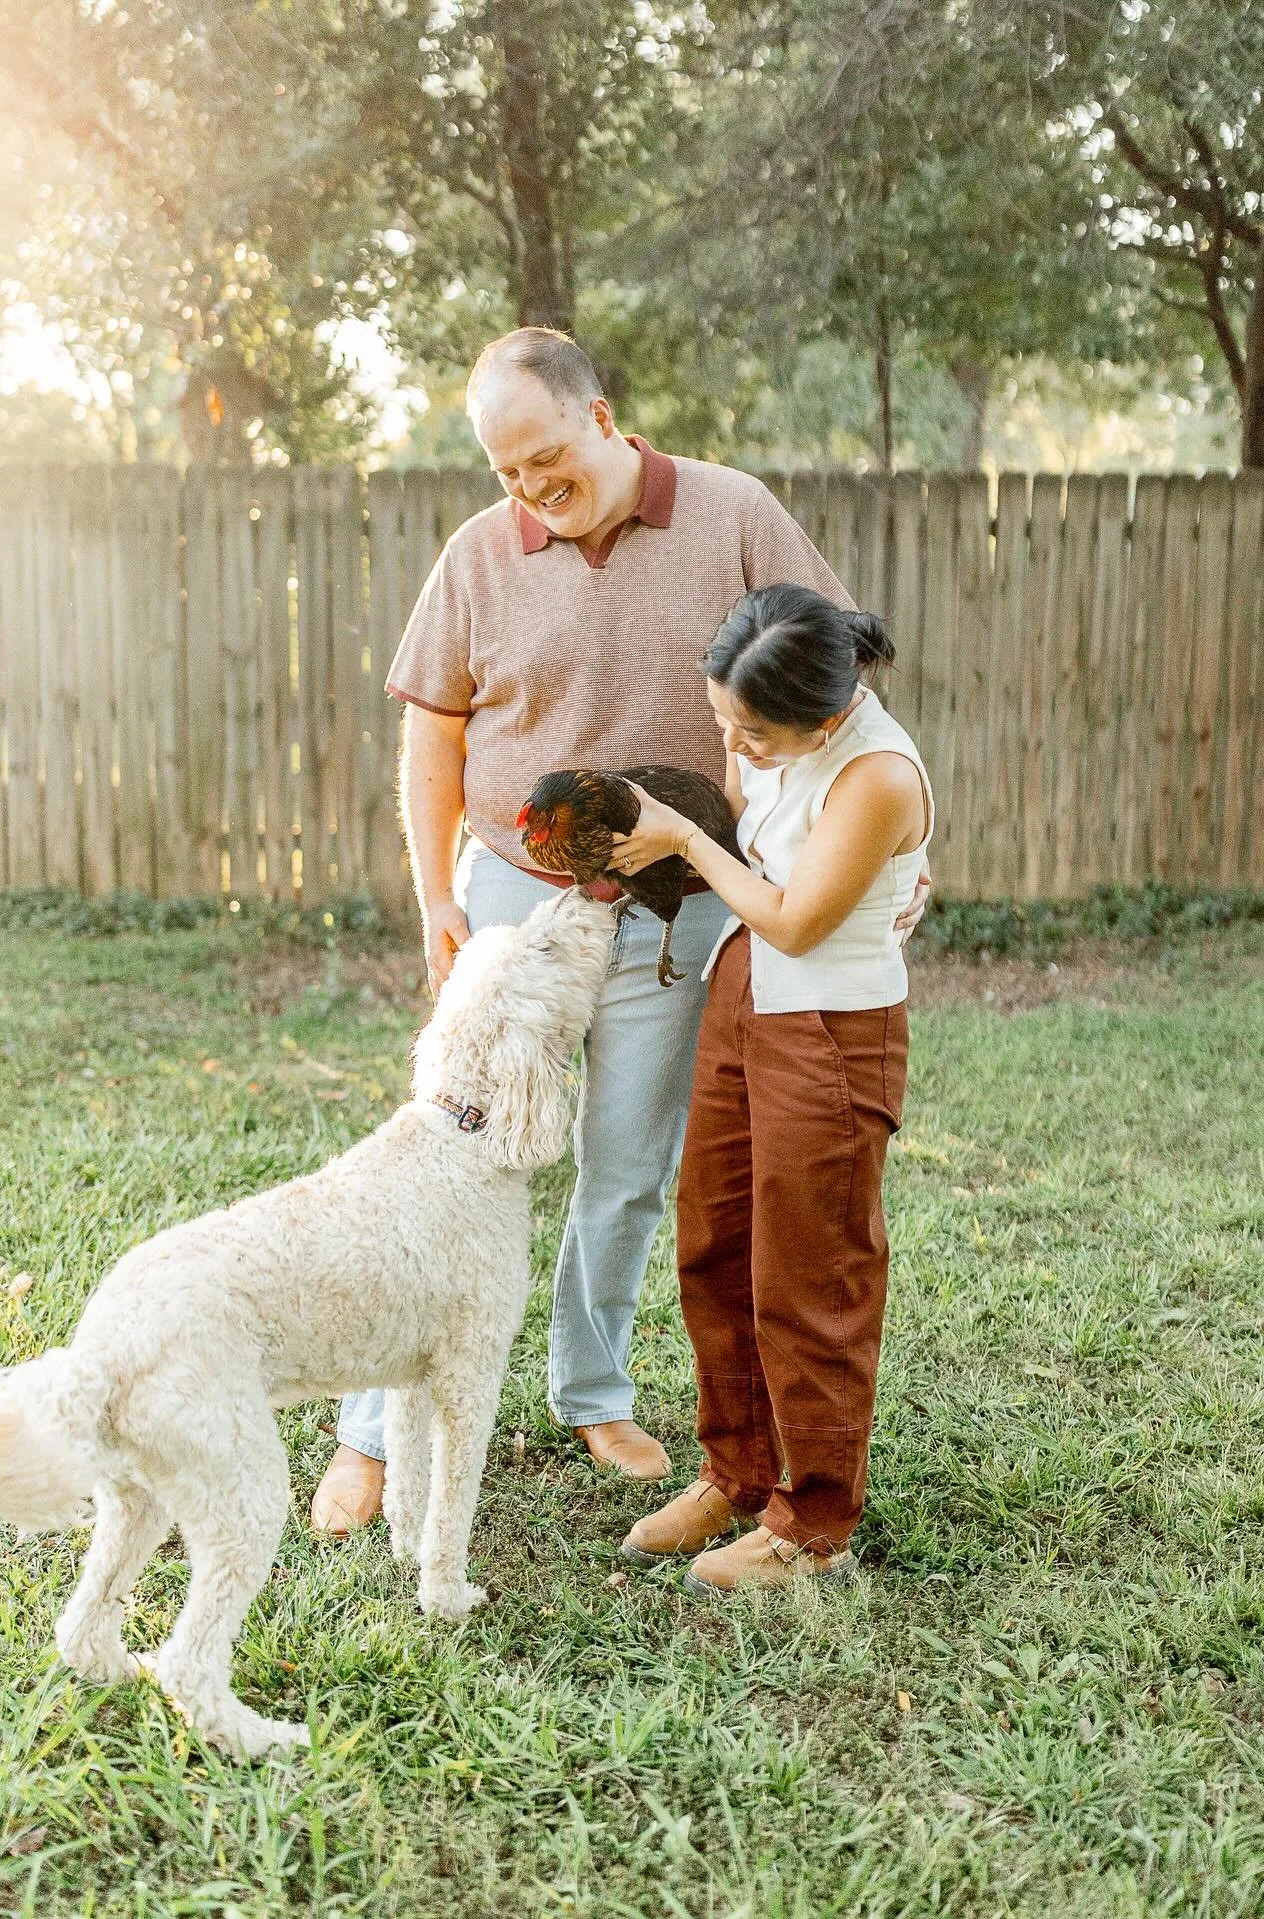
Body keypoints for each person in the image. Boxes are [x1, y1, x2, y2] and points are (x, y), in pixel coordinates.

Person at [309, 328, 928, 1536]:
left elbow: (838, 668)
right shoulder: (477, 557)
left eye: (544, 456)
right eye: (504, 471)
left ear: (603, 417)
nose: (530, 488)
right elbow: (431, 731)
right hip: (509, 900)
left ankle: (589, 1387)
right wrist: (437, 892)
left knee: (630, 1171)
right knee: (448, 1159)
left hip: (679, 916)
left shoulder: (734, 512)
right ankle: (371, 1433)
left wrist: (907, 835)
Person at [608, 584, 931, 1594]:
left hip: (830, 1026)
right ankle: (737, 1472)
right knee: (714, 1242)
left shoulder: (875, 773)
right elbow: (764, 858)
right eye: (723, 722)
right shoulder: (782, 740)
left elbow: (797, 919)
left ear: (827, 716)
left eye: (754, 729)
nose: (735, 745)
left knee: (811, 1271)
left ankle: (813, 1519)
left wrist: (687, 841)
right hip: (747, 995)